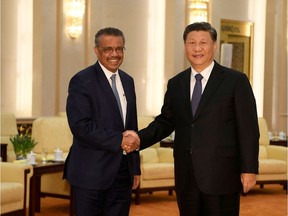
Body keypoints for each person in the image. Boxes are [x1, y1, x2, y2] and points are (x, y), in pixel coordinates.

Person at [125, 22, 259, 216]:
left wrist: (249, 169)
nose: (197, 48)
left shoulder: (236, 81)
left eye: (203, 42)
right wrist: (138, 139)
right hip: (186, 176)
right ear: (185, 46)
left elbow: (248, 129)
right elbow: (165, 121)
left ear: (214, 46)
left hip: (221, 175)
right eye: (191, 43)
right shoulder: (176, 83)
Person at [64, 27, 140, 216]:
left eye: (119, 49)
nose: (114, 54)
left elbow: (132, 127)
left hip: (123, 173)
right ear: (96, 51)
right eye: (108, 49)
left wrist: (135, 168)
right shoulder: (82, 80)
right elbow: (80, 126)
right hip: (90, 174)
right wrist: (119, 140)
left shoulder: (128, 81)